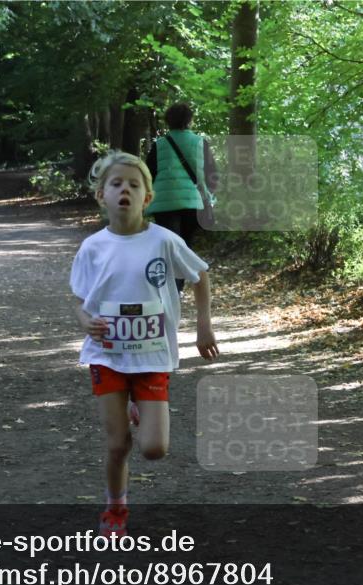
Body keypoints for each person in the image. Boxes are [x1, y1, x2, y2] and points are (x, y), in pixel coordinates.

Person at [70, 151, 220, 537]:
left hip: (152, 356)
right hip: (107, 355)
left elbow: (200, 276)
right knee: (118, 444)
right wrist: (86, 321)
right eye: (117, 184)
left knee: (154, 449)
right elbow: (80, 301)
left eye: (134, 185)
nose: (126, 190)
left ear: (147, 198)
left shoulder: (164, 241)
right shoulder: (92, 248)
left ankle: (139, 402)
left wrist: (203, 327)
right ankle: (115, 508)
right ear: (102, 195)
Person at [144, 102, 218, 294]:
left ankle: (172, 289)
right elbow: (212, 174)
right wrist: (209, 195)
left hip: (164, 203)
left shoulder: (160, 144)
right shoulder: (200, 143)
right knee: (184, 245)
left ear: (168, 121)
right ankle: (178, 289)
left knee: (169, 246)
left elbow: (148, 173)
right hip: (192, 202)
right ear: (189, 120)